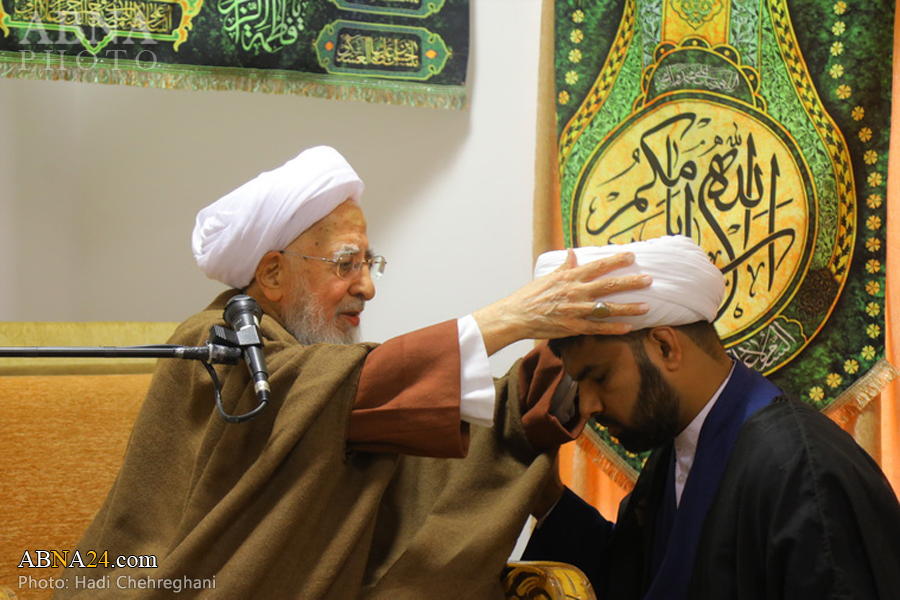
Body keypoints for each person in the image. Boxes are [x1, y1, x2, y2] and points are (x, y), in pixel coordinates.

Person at [57, 146, 651, 599]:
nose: (366, 286)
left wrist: (577, 351)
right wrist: (510, 318)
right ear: (272, 274)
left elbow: (451, 418)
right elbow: (347, 390)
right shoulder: (217, 345)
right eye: (346, 264)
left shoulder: (326, 375)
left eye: (369, 263)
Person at [523, 235, 900, 600]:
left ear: (665, 347)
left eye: (600, 377)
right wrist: (547, 497)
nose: (587, 406)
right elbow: (632, 580)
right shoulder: (676, 451)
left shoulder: (799, 468)